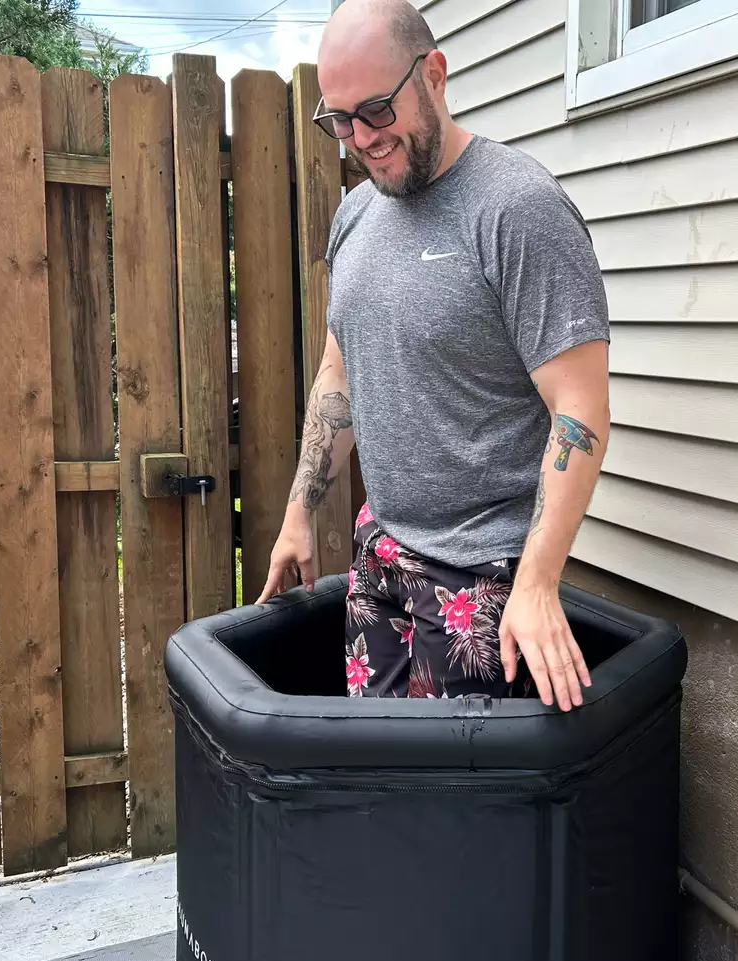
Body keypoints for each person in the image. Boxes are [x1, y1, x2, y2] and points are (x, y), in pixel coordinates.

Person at [254, 0, 612, 713]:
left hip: (478, 581)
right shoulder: (355, 215)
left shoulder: (517, 209)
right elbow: (339, 373)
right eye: (341, 120)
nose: (362, 137)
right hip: (378, 552)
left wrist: (538, 582)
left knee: (452, 813)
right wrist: (300, 514)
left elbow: (580, 407)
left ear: (436, 75)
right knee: (377, 784)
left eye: (379, 110)